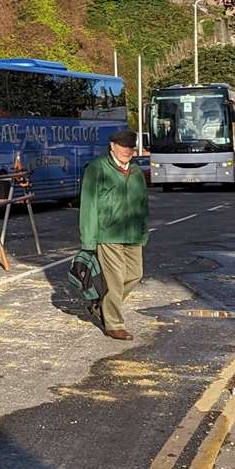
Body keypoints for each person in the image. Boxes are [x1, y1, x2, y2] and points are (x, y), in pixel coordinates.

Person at [79, 130, 150, 341]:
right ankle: (114, 324)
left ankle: (102, 306)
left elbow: (143, 204)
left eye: (130, 148)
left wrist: (144, 232)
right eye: (123, 147)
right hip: (108, 234)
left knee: (135, 274)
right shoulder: (97, 168)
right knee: (116, 279)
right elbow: (89, 205)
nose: (127, 151)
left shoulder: (136, 171)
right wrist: (88, 241)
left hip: (133, 234)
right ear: (112, 146)